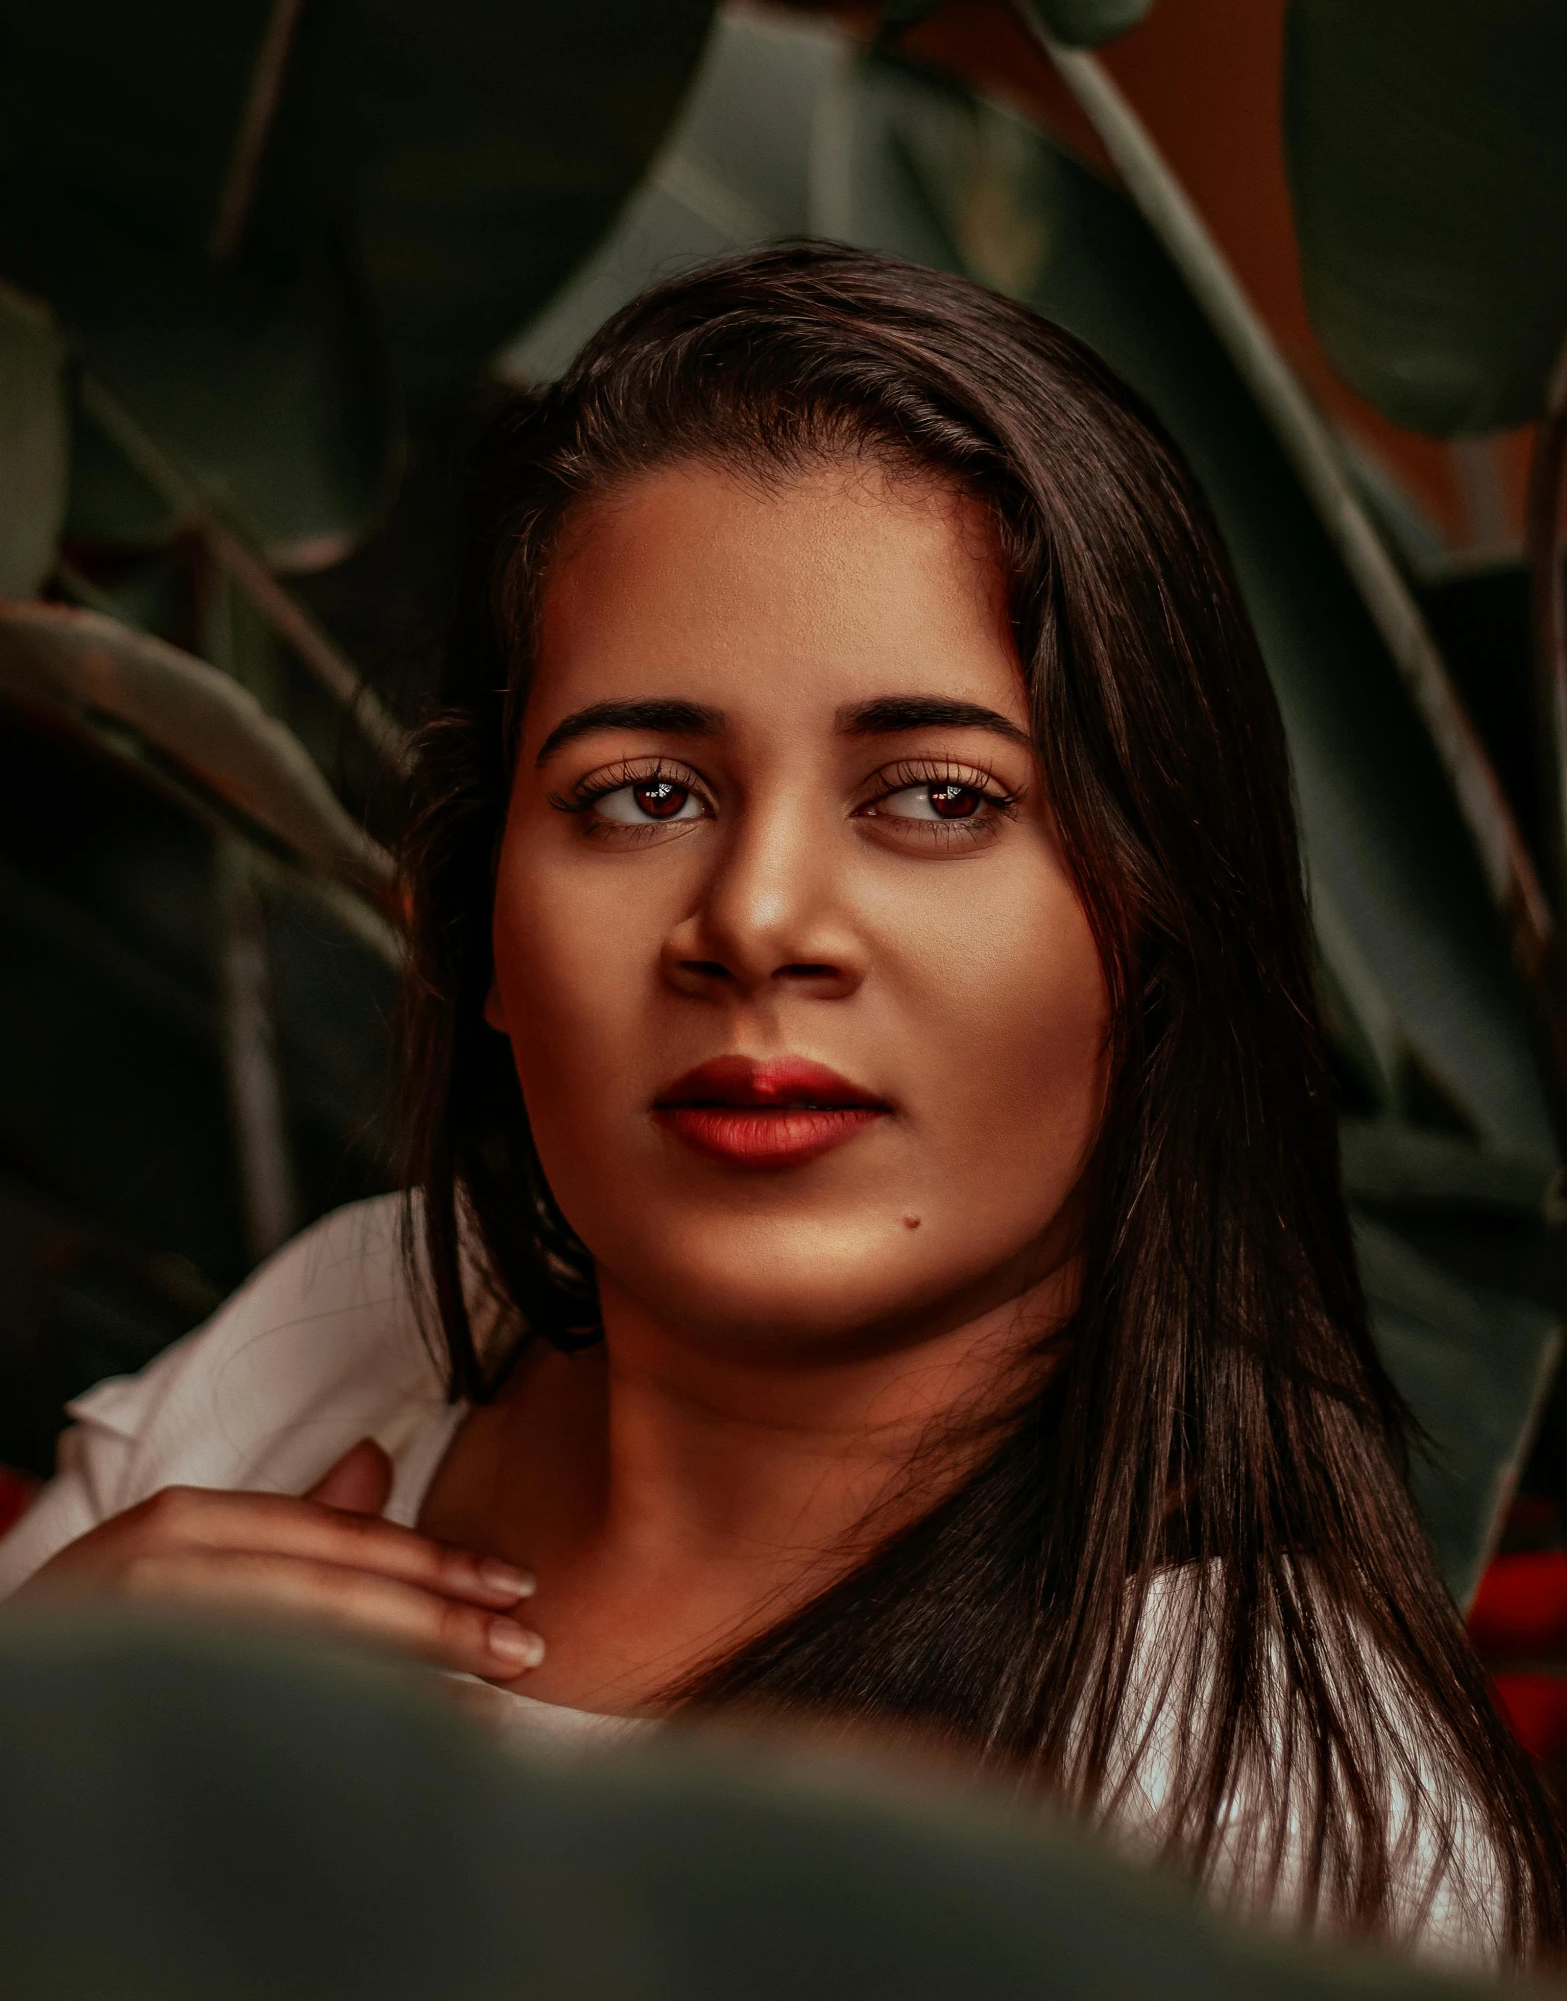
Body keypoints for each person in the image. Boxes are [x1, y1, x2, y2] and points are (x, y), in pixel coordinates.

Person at [0, 246, 1559, 1961]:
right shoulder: (336, 1345)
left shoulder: (1255, 1818)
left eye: (938, 795)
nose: (755, 918)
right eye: (643, 791)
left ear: (1155, 938)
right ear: (481, 930)